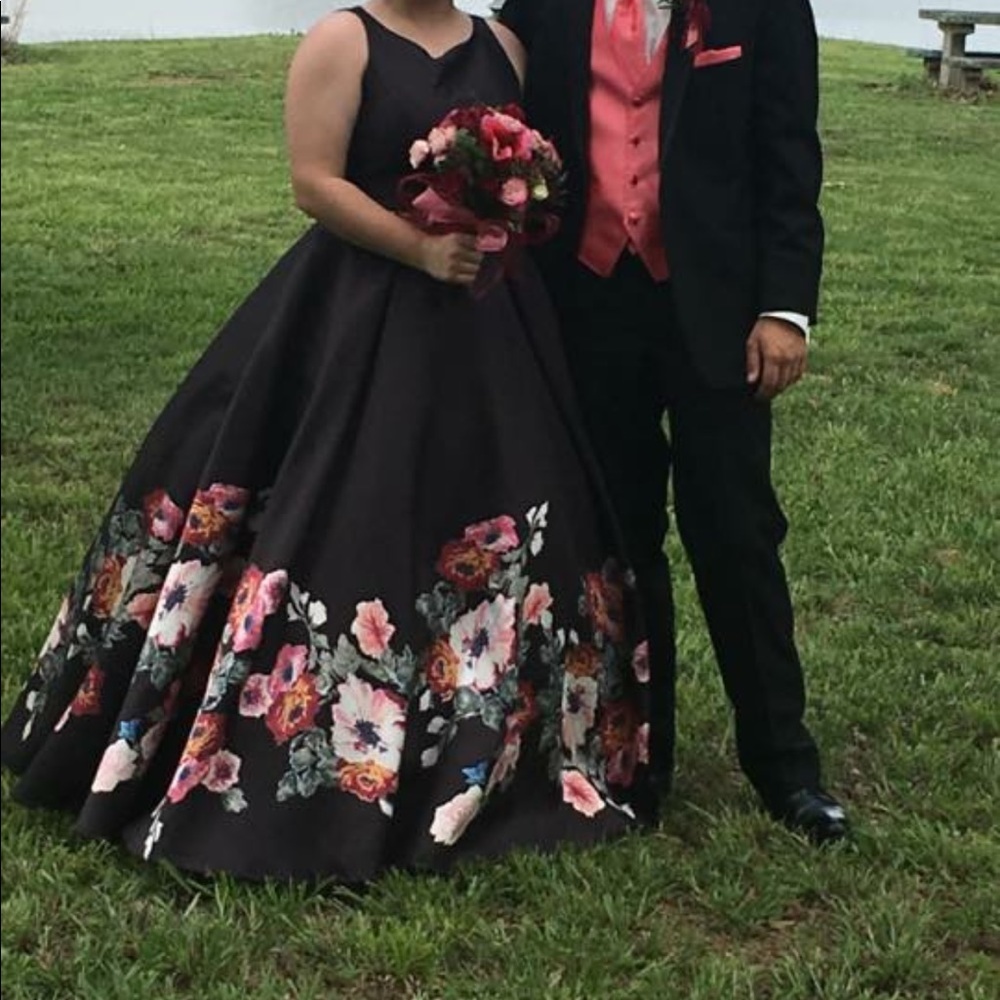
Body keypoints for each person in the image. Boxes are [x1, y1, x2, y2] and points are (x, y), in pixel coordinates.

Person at [0, 0, 657, 883]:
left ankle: (500, 749)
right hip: (357, 316)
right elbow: (315, 184)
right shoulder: (343, 41)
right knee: (343, 508)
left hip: (493, 327)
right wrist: (420, 251)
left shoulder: (504, 45)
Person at [498, 0, 849, 843]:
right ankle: (637, 762)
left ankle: (785, 766)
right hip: (588, 304)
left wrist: (785, 309)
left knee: (736, 532)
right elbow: (490, 96)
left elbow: (788, 155)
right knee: (621, 543)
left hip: (718, 312)